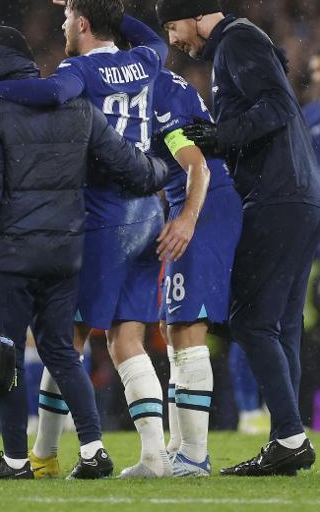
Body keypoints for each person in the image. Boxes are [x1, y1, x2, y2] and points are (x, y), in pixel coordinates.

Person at [0, 25, 171, 480]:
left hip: (10, 256)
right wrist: (165, 167)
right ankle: (94, 448)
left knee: (4, 356)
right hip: (65, 254)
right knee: (62, 353)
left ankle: (15, 460)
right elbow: (131, 167)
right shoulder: (76, 106)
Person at [156, 0, 320, 476]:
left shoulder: (237, 41)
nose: (173, 40)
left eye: (173, 26)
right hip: (298, 196)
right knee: (281, 326)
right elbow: (276, 92)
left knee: (250, 321)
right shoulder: (244, 42)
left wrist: (221, 136)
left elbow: (276, 106)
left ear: (196, 14)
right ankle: (284, 439)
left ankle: (290, 437)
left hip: (276, 196)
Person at [152, 68, 242, 476]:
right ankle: (178, 448)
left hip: (202, 208)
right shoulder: (160, 82)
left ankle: (195, 455)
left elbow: (197, 167)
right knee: (174, 331)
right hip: (188, 207)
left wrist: (187, 218)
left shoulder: (160, 95)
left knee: (187, 329)